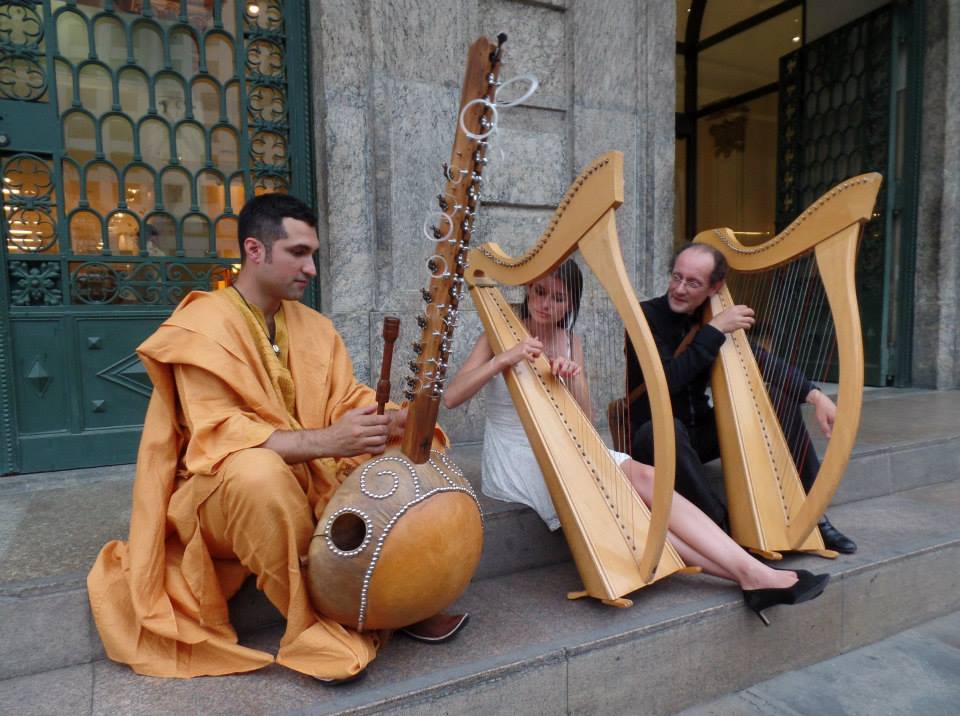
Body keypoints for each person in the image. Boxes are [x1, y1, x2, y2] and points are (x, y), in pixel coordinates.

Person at [87, 193, 465, 683]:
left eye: (313, 255)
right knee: (257, 474)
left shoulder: (314, 327)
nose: (310, 268)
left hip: (309, 476)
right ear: (255, 250)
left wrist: (388, 420)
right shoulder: (200, 327)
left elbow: (344, 399)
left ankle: (401, 598)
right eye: (298, 253)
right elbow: (222, 439)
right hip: (222, 495)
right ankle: (317, 624)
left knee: (411, 451)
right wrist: (331, 440)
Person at [443, 260, 830, 624]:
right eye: (539, 292)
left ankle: (753, 575)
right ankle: (753, 573)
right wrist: (503, 359)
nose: (546, 304)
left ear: (570, 305)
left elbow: (585, 418)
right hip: (515, 455)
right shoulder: (495, 334)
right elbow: (452, 396)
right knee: (635, 509)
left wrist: (571, 377)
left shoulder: (569, 341)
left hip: (566, 443)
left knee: (646, 477)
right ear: (528, 290)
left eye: (558, 298)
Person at [625, 243, 857, 554]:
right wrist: (714, 330)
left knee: (775, 397)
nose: (679, 289)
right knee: (661, 431)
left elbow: (758, 358)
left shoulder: (712, 315)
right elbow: (666, 380)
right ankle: (721, 526)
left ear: (715, 287)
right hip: (654, 436)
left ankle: (812, 514)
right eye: (676, 277)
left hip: (700, 432)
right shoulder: (644, 317)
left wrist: (814, 395)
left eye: (692, 283)